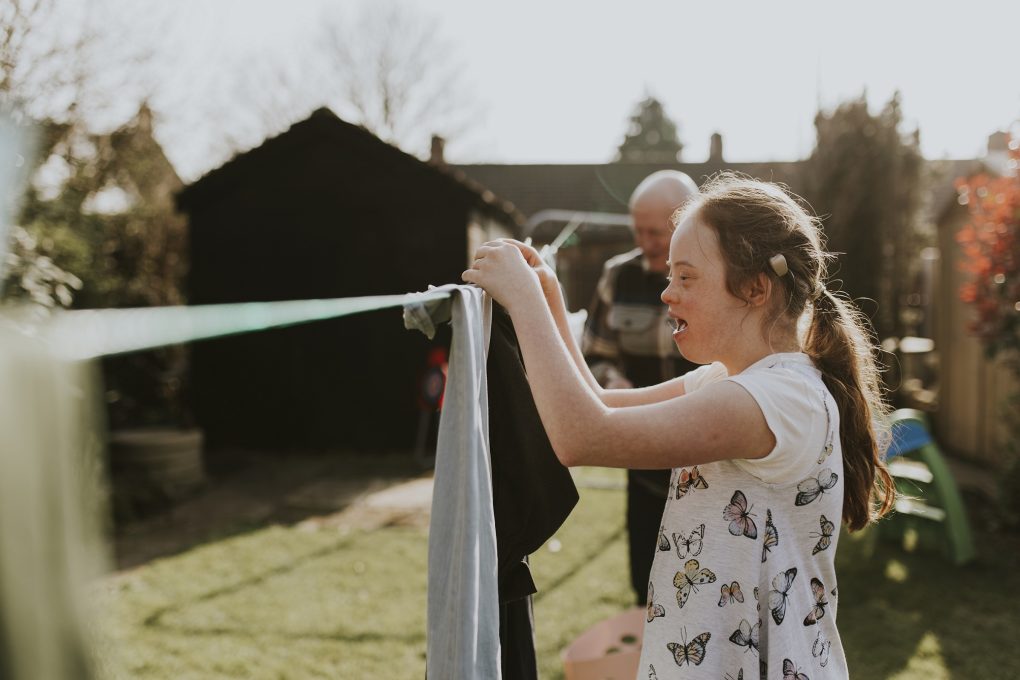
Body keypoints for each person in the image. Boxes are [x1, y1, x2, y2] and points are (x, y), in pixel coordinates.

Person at [462, 172, 893, 678]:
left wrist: (523, 301)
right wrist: (550, 297)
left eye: (686, 277)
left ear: (755, 288)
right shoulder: (729, 381)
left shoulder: (778, 399)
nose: (667, 293)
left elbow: (582, 435)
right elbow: (602, 401)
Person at [583, 170, 700, 607]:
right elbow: (595, 353)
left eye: (656, 231)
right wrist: (614, 383)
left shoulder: (712, 277)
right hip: (643, 446)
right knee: (645, 577)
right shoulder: (617, 276)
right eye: (638, 229)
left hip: (707, 445)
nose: (646, 240)